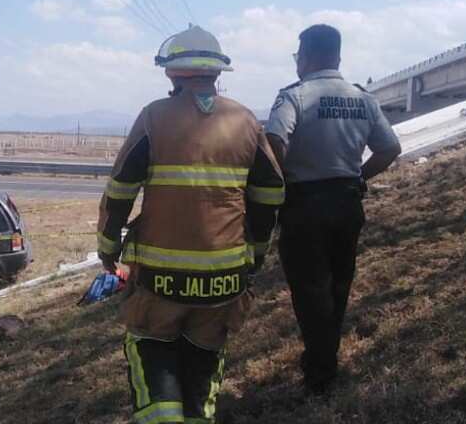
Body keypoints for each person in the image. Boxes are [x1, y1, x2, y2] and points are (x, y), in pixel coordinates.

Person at [97, 25, 285, 423]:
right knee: (203, 379)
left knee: (152, 359)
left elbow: (120, 191)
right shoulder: (247, 121)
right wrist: (255, 256)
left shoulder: (153, 117)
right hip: (223, 284)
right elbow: (269, 195)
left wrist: (108, 248)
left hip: (159, 284)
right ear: (217, 74)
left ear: (171, 73)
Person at [266, 24, 402, 395]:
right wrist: (359, 175)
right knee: (338, 285)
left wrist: (279, 179)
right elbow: (390, 149)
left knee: (309, 290)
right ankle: (324, 358)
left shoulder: (294, 97)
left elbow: (274, 139)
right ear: (338, 56)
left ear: (306, 56)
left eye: (298, 56)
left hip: (304, 205)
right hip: (347, 202)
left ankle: (321, 371)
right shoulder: (363, 98)